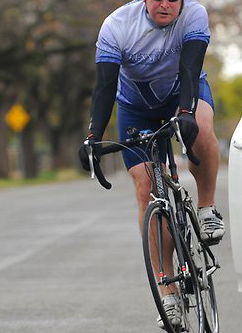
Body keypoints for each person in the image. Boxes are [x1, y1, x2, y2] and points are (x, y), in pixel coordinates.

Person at [79, 0, 224, 328]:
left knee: (200, 127)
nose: (165, 4)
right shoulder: (116, 26)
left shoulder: (194, 14)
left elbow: (189, 69)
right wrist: (93, 136)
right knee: (147, 190)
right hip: (136, 107)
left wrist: (185, 113)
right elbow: (104, 87)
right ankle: (168, 293)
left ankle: (206, 208)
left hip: (181, 93)